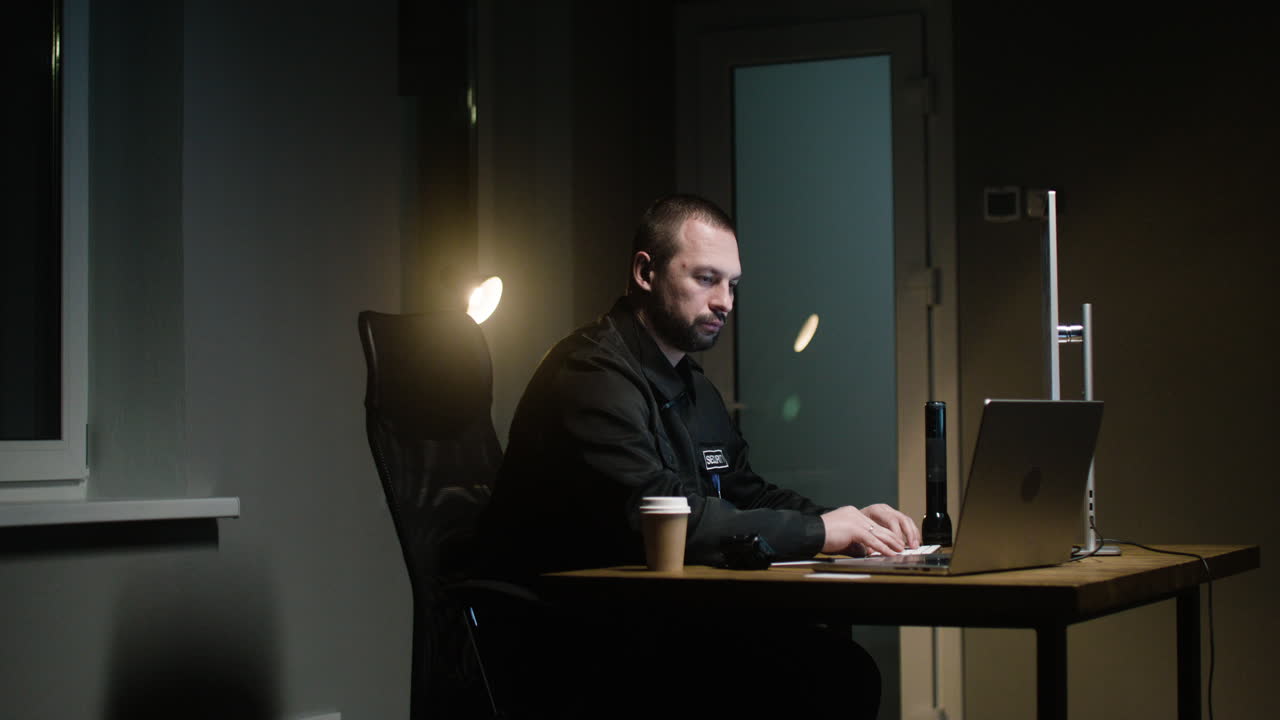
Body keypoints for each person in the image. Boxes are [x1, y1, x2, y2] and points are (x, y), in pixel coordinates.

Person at [472, 193, 918, 718]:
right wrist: (822, 534)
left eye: (732, 285)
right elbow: (663, 514)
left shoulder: (691, 384)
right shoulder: (591, 376)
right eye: (706, 279)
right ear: (646, 271)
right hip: (576, 640)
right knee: (831, 676)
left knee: (832, 665)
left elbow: (740, 487)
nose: (725, 302)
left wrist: (843, 521)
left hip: (650, 623)